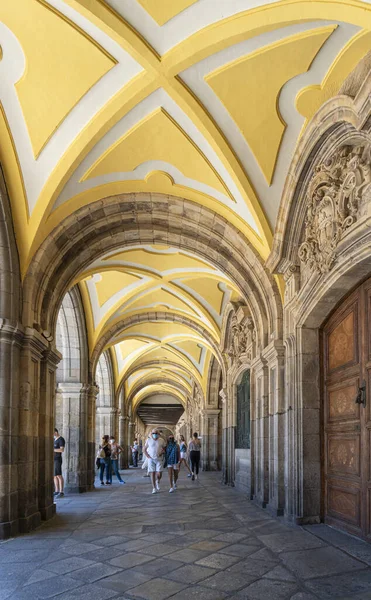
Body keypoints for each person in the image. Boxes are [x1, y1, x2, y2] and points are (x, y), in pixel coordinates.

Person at [144, 428, 166, 494]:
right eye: (153, 433)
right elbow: (144, 449)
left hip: (159, 459)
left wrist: (162, 452)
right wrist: (147, 456)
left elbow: (164, 448)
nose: (155, 434)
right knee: (152, 473)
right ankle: (154, 488)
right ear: (151, 434)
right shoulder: (148, 440)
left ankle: (158, 480)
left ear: (158, 434)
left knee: (159, 473)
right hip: (151, 459)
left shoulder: (161, 440)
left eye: (156, 433)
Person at [54, 428, 65, 498]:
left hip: (57, 459)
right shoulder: (54, 439)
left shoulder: (61, 439)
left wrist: (53, 450)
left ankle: (61, 491)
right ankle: (56, 490)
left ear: (56, 432)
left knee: (59, 475)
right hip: (53, 459)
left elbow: (62, 449)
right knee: (54, 476)